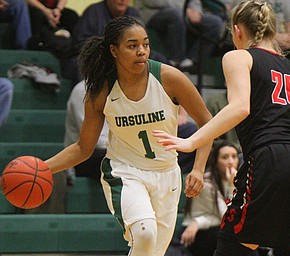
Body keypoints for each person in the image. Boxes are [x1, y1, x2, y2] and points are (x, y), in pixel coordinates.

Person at [20, 16, 212, 256]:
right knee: (144, 233)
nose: (141, 51)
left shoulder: (169, 77)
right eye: (132, 46)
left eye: (145, 44)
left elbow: (207, 123)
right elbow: (83, 148)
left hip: (167, 175)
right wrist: (43, 168)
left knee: (151, 251)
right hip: (125, 172)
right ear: (114, 50)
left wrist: (198, 168)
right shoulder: (101, 90)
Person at [153, 1, 290, 255]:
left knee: (233, 246)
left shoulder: (238, 56)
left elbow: (240, 107)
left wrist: (191, 141)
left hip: (271, 156)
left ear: (237, 30)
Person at [61, 0, 167, 84]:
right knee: (85, 65)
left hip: (126, 58)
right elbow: (80, 45)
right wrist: (108, 52)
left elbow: (142, 43)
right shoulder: (93, 12)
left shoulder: (133, 13)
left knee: (159, 60)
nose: (122, 0)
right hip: (99, 58)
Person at [180, 140, 239, 256]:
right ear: (216, 161)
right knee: (232, 237)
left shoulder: (236, 179)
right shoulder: (207, 183)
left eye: (234, 156)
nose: (231, 162)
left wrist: (199, 222)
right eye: (225, 157)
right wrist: (232, 186)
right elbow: (228, 218)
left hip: (209, 227)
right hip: (197, 235)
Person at [136, 0, 225, 70]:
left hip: (183, 12)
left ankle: (192, 62)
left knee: (215, 22)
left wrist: (195, 10)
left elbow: (194, 1)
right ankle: (177, 60)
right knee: (177, 14)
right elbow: (152, 2)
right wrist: (184, 8)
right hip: (154, 13)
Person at [64, 80, 109, 180]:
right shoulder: (83, 90)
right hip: (83, 156)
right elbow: (95, 140)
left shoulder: (124, 89)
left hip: (110, 150)